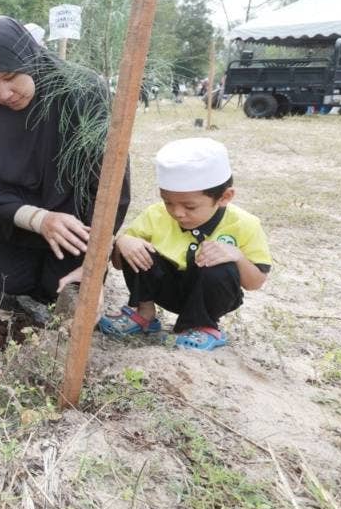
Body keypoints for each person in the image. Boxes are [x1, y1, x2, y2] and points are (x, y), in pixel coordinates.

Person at [0, 16, 129, 310]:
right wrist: (40, 219)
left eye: (10, 76)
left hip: (74, 225)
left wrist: (97, 254)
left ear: (28, 58)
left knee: (62, 291)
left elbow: (110, 177)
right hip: (17, 223)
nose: (3, 94)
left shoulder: (82, 89)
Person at [98, 138, 271, 351]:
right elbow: (119, 263)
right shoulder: (155, 215)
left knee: (221, 265)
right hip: (166, 290)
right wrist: (123, 242)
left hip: (210, 295)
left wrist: (237, 256)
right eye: (168, 202)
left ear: (225, 197)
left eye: (190, 206)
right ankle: (144, 314)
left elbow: (255, 283)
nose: (178, 213)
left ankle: (201, 325)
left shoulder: (245, 224)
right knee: (136, 248)